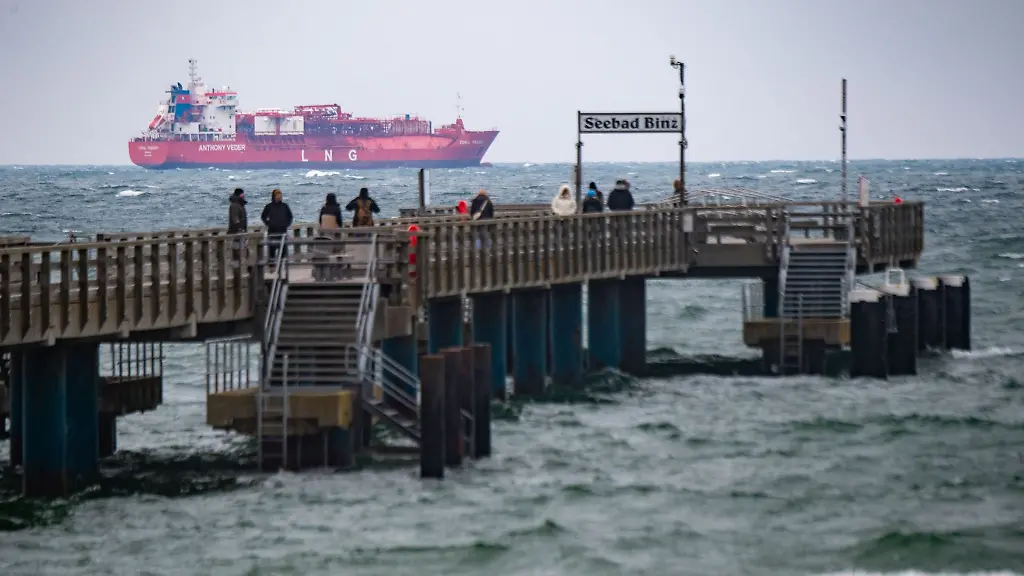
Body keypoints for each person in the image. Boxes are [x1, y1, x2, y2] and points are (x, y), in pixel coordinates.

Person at [260, 188, 293, 260]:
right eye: (278, 195)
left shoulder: (285, 206)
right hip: (272, 232)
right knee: (271, 251)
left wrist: (286, 224)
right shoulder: (269, 206)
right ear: (274, 196)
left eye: (280, 195)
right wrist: (269, 223)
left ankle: (282, 266)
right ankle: (272, 266)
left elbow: (290, 216)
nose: (279, 197)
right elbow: (263, 216)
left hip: (282, 231)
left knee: (283, 251)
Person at [227, 188, 248, 268]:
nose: (243, 196)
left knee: (240, 252)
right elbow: (235, 219)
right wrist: (240, 229)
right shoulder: (235, 205)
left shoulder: (240, 205)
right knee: (236, 252)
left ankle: (239, 269)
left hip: (241, 233)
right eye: (242, 195)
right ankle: (236, 270)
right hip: (235, 233)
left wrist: (245, 232)